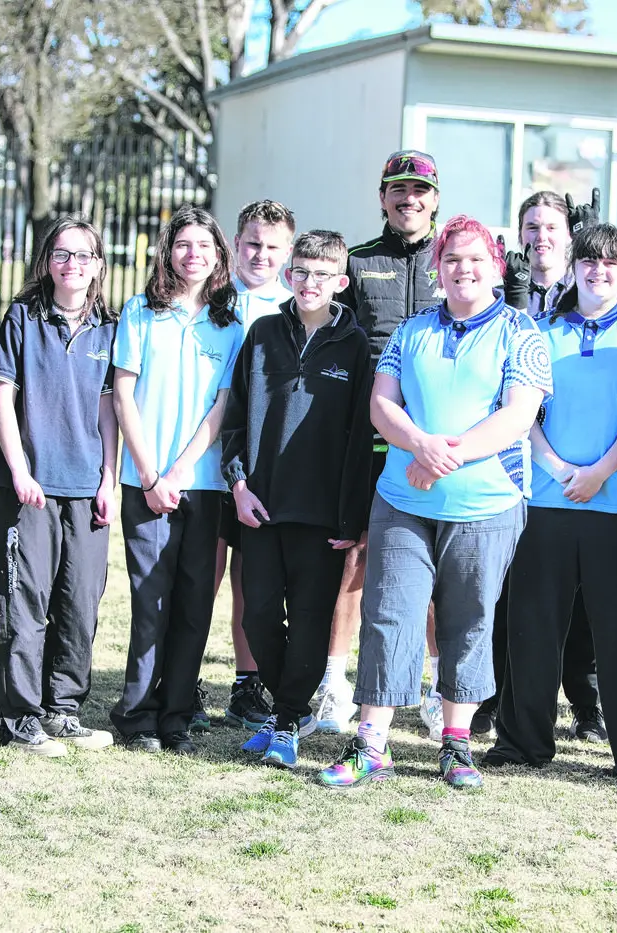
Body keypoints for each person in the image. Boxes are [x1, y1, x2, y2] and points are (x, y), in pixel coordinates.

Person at [317, 215, 550, 791]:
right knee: (388, 614)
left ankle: (456, 744)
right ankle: (372, 743)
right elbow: (381, 404)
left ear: (496, 266)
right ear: (436, 269)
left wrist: (448, 454)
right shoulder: (410, 331)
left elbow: (519, 414)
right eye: (451, 260)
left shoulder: (522, 333)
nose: (462, 269)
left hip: (486, 504)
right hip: (403, 500)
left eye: (474, 259)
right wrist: (419, 443)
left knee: (468, 620)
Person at [486, 223, 617, 789]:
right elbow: (526, 414)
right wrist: (564, 471)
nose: (599, 271)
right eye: (589, 261)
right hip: (547, 499)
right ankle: (523, 741)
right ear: (573, 267)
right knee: (532, 626)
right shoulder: (538, 331)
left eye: (611, 263)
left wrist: (600, 473)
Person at [221, 230, 373, 768]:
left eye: (323, 275)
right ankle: (286, 704)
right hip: (261, 507)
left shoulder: (355, 347)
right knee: (258, 615)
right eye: (302, 272)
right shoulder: (261, 334)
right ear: (290, 275)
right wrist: (238, 484)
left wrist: (353, 519)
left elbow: (361, 438)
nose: (310, 283)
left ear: (342, 282)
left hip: (322, 517)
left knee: (311, 620)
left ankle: (285, 720)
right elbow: (235, 417)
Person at [314, 149, 447, 739]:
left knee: (436, 568)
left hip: (441, 442)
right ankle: (334, 684)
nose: (409, 199)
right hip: (367, 439)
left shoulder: (454, 261)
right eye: (398, 189)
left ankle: (438, 686)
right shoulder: (360, 262)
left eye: (419, 190)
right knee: (354, 559)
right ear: (382, 197)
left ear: (435, 198)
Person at [109, 204, 243, 755]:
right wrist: (148, 472)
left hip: (203, 483)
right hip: (145, 481)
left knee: (193, 601)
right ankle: (137, 714)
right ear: (168, 252)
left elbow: (222, 403)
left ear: (218, 257)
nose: (194, 255)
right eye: (184, 244)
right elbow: (122, 390)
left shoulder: (229, 325)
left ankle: (177, 713)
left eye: (204, 247)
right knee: (151, 598)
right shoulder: (140, 311)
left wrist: (184, 469)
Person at [0, 216, 118, 758]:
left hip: (88, 489)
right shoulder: (21, 319)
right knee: (26, 602)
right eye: (62, 254)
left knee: (80, 602)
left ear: (98, 266)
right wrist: (19, 471)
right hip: (30, 489)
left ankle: (63, 710)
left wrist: (109, 479)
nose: (73, 265)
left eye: (84, 256)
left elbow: (111, 410)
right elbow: (0, 397)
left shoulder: (111, 328)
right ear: (46, 261)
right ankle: (20, 718)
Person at [484, 189, 608, 744]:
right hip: (510, 462)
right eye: (531, 226)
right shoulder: (502, 288)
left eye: (552, 226)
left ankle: (585, 701)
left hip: (571, 461)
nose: (541, 237)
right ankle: (495, 697)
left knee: (581, 598)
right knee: (508, 592)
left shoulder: (583, 288)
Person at [212, 200, 296, 732]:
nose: (260, 254)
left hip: (257, 465)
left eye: (272, 246)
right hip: (201, 462)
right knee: (203, 573)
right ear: (235, 245)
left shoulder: (294, 305)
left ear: (288, 251)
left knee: (249, 574)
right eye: (251, 243)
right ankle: (180, 677)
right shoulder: (212, 300)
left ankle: (247, 682)